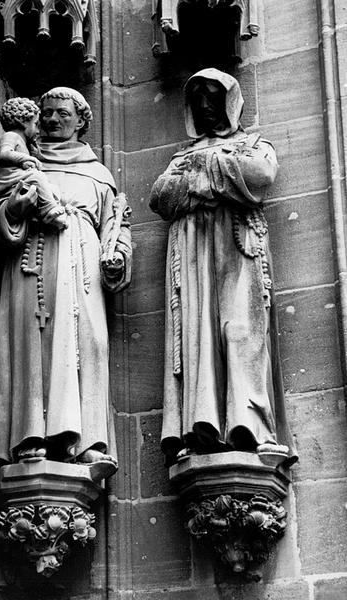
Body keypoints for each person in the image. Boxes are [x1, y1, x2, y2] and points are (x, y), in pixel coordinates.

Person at [150, 68, 296, 467]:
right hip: (193, 253)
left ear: (230, 102)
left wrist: (202, 176)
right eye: (198, 100)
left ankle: (252, 428)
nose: (205, 106)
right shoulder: (182, 155)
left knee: (240, 331)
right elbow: (161, 197)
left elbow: (261, 175)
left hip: (237, 248)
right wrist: (221, 176)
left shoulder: (253, 144)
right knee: (196, 338)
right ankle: (202, 429)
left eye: (213, 98)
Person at [0, 87, 132, 478]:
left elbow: (117, 227)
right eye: (46, 114)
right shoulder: (26, 162)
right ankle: (28, 437)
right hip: (31, 262)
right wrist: (18, 206)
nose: (51, 120)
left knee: (89, 344)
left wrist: (118, 259)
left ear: (81, 121)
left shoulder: (99, 173)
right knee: (34, 344)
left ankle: (86, 442)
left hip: (83, 268)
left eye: (61, 114)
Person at [0, 97, 68, 230]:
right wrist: (26, 159)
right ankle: (48, 211)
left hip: (19, 177)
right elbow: (4, 153)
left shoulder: (25, 143)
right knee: (38, 177)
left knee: (50, 187)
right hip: (9, 178)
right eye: (36, 124)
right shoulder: (11, 136)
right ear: (22, 121)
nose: (38, 131)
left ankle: (51, 208)